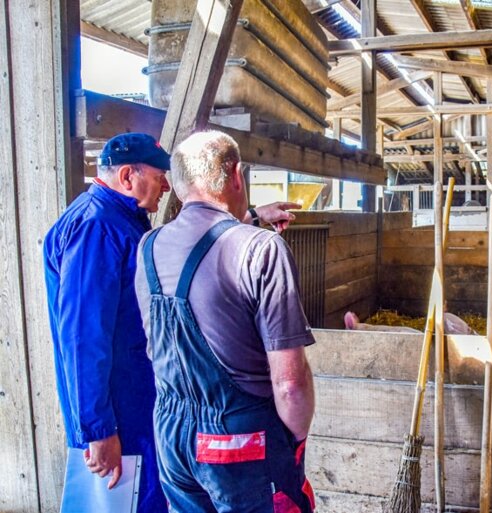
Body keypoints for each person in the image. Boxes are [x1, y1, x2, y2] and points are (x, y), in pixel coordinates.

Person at [44, 132, 300, 512]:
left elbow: (190, 241)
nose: (167, 185)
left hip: (152, 404)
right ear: (128, 176)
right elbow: (82, 338)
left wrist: (250, 217)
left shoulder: (125, 221)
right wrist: (98, 431)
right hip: (121, 411)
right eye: (159, 175)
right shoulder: (97, 227)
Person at [135, 130, 316, 512]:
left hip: (171, 434)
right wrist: (292, 447)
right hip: (237, 440)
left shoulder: (148, 247)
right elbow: (290, 385)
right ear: (236, 175)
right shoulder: (263, 250)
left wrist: (252, 216)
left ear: (180, 185)